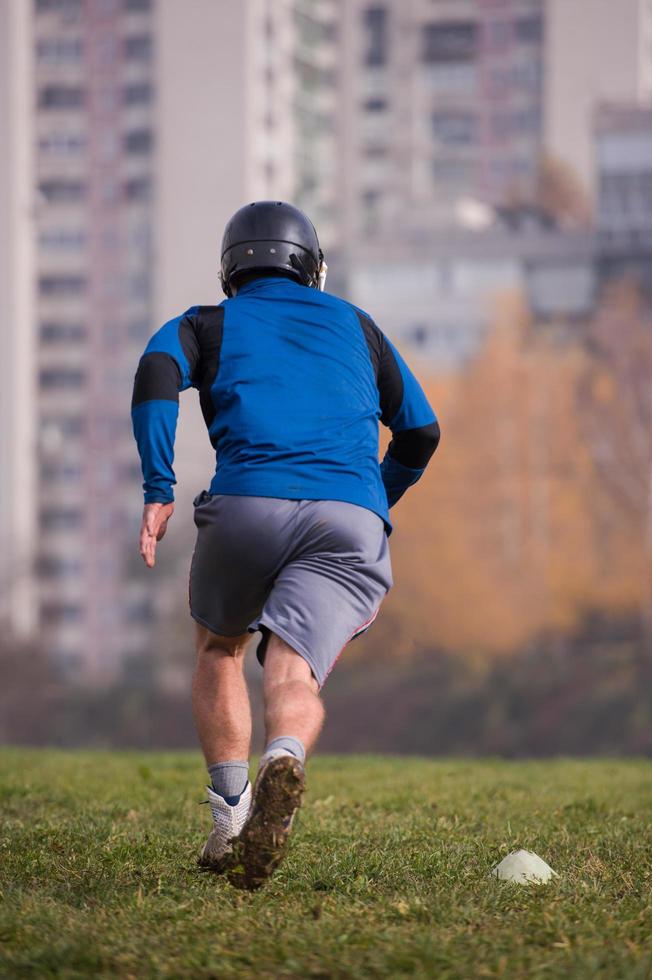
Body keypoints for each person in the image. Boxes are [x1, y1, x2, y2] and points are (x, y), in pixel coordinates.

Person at [130, 201, 440, 890]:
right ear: (313, 269)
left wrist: (158, 487)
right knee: (293, 670)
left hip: (247, 506)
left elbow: (156, 372)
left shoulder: (209, 323)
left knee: (220, 649)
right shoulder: (358, 326)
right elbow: (421, 433)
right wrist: (369, 501)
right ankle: (285, 755)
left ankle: (229, 821)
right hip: (347, 515)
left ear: (229, 272)